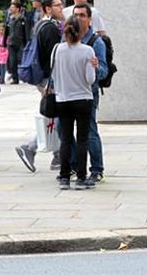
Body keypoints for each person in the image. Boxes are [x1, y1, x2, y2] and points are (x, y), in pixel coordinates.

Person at [15, 0, 65, 172]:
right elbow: (53, 58)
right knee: (55, 115)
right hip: (49, 78)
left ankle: (57, 156)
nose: (61, 8)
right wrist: (51, 82)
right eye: (57, 5)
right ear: (48, 9)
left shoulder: (41, 25)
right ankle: (31, 148)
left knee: (54, 115)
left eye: (61, 4)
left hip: (45, 77)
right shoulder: (50, 28)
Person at [52, 15, 98, 190]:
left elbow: (54, 74)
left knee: (66, 140)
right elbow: (90, 79)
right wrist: (94, 66)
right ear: (81, 31)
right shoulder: (87, 51)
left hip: (62, 99)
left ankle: (64, 177)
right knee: (82, 139)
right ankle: (81, 177)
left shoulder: (57, 49)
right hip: (83, 99)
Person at [71, 3, 107, 181]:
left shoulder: (96, 42)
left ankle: (97, 169)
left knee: (90, 130)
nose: (78, 18)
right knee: (65, 130)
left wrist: (97, 67)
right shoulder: (67, 39)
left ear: (90, 19)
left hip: (88, 93)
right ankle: (73, 165)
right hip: (68, 93)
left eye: (82, 15)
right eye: (75, 15)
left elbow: (104, 71)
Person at [4, 1, 27, 84]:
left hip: (20, 42)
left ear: (18, 9)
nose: (11, 9)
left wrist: (26, 43)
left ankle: (23, 76)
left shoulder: (22, 19)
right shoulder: (9, 19)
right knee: (12, 61)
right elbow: (6, 32)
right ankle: (15, 78)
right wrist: (4, 43)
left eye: (13, 7)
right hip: (11, 43)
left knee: (21, 60)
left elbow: (26, 32)